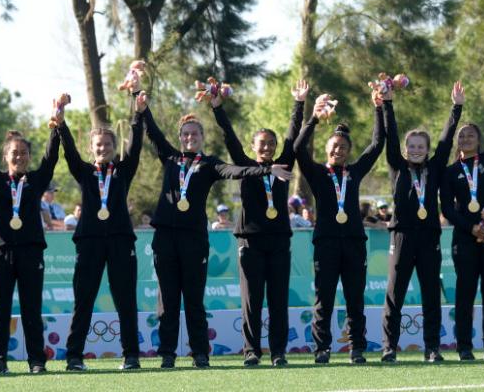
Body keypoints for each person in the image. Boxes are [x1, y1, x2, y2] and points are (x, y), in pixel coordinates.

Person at [143, 91, 290, 369]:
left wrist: (266, 171)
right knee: (168, 299)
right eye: (185, 135)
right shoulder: (171, 158)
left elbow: (237, 171)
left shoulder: (209, 164)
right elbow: (153, 133)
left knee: (194, 300)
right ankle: (167, 354)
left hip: (195, 239)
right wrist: (141, 104)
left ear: (202, 137)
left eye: (194, 135)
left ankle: (200, 353)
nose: (189, 138)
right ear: (180, 137)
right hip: (165, 237)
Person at [211, 79, 306, 368]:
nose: (266, 147)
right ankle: (251, 351)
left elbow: (293, 136)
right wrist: (217, 108)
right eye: (261, 143)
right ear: (253, 147)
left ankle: (278, 352)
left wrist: (299, 104)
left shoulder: (284, 166)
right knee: (252, 301)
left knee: (278, 301)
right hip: (249, 243)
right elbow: (229, 137)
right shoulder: (245, 166)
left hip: (278, 242)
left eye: (270, 144)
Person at [293, 88, 385, 365]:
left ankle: (357, 347)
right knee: (325, 299)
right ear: (326, 149)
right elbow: (298, 149)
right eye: (333, 147)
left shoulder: (355, 172)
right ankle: (322, 348)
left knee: (355, 299)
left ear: (348, 151)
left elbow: (377, 144)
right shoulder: (318, 173)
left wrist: (379, 109)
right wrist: (313, 120)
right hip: (327, 243)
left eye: (343, 147)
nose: (338, 150)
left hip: (355, 243)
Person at [0, 98, 60, 374]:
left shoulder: (36, 180)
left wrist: (56, 127)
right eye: (14, 152)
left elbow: (51, 158)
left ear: (29, 156)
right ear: (5, 156)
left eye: (23, 152)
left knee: (31, 308)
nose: (19, 156)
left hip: (31, 251)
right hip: (0, 251)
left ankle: (36, 360)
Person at [59, 90, 144, 371]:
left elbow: (136, 144)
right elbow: (69, 152)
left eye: (107, 144)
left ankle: (131, 356)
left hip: (120, 241)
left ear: (113, 146)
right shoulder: (84, 172)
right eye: (97, 145)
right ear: (91, 148)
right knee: (83, 301)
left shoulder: (123, 170)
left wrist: (137, 112)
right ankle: (74, 357)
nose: (102, 148)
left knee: (125, 300)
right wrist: (61, 124)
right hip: (90, 242)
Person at [379, 80, 463, 363]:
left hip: (429, 237)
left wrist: (456, 108)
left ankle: (432, 348)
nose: (415, 150)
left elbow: (446, 139)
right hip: (401, 235)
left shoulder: (435, 168)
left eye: (420, 146)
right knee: (395, 294)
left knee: (430, 293)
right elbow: (390, 136)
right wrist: (387, 103)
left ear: (427, 150)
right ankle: (389, 347)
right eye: (411, 146)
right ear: (405, 149)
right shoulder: (397, 165)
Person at [440, 69, 484, 361]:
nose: (466, 138)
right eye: (462, 135)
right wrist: (471, 229)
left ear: (479, 141)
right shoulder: (449, 172)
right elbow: (446, 208)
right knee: (465, 293)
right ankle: (464, 347)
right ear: (457, 142)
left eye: (471, 135)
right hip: (465, 237)